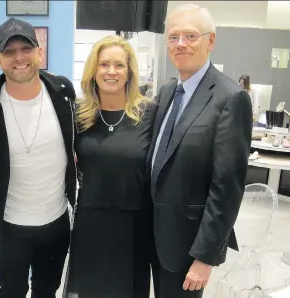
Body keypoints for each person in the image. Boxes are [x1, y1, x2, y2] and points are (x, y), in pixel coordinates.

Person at [0, 18, 77, 298]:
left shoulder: (62, 93)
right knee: (12, 291)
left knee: (46, 291)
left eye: (25, 48)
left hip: (56, 222)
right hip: (9, 225)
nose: (19, 58)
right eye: (10, 52)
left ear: (39, 52)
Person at [147, 4, 252, 298]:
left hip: (188, 245)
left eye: (191, 36)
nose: (181, 44)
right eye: (173, 37)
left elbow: (227, 188)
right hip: (153, 237)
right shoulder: (168, 91)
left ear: (211, 41)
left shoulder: (231, 98)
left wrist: (206, 256)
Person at [63, 35, 156, 298]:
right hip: (91, 224)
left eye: (119, 65)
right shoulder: (78, 115)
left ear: (130, 72)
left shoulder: (150, 114)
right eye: (104, 65)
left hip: (134, 226)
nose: (111, 72)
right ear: (94, 71)